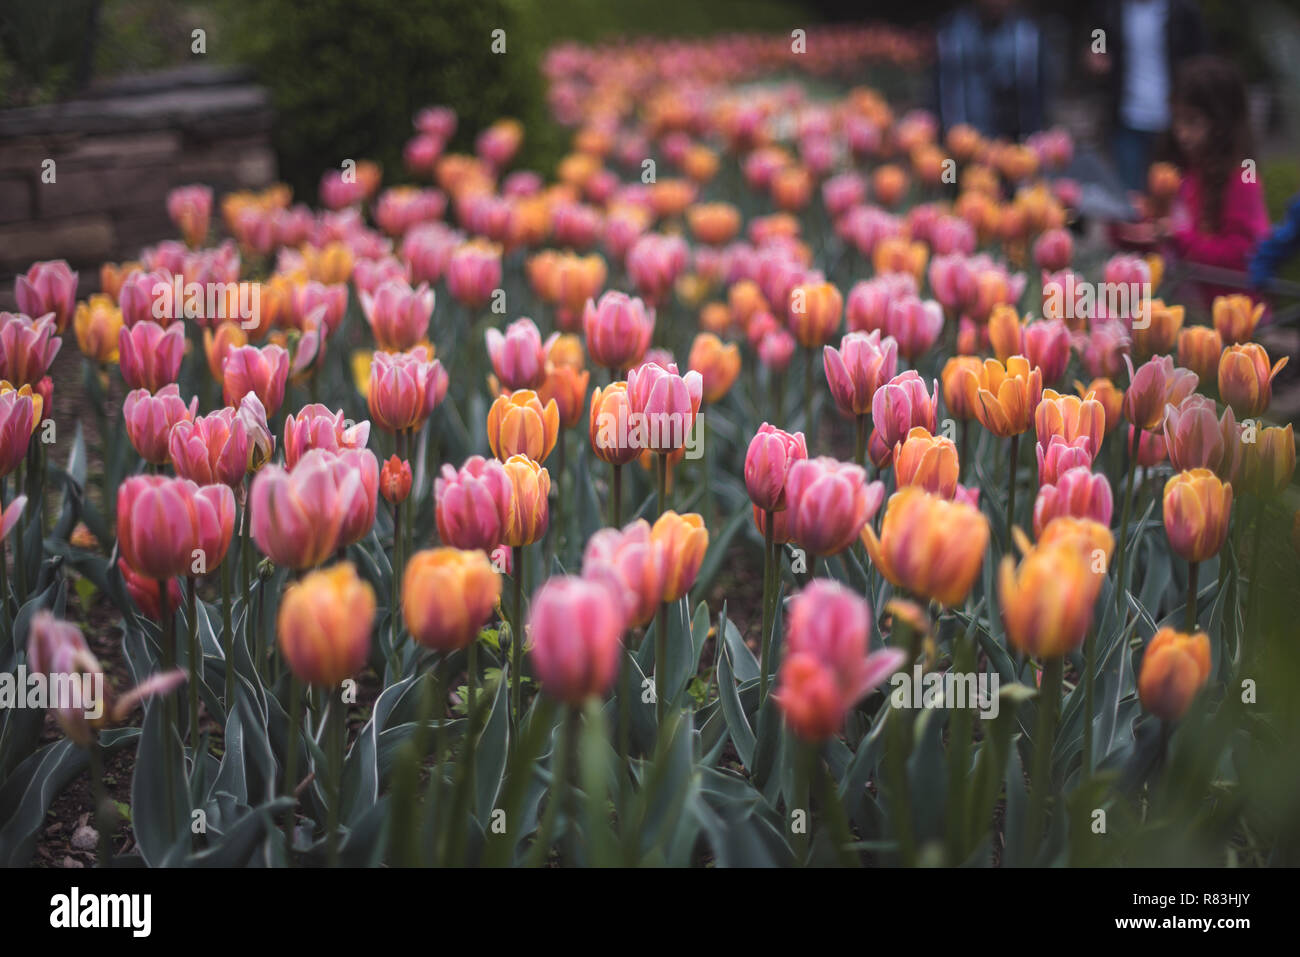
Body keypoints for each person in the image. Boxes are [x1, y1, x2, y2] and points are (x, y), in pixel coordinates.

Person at [1163, 56, 1270, 305]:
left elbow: (1240, 255)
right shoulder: (1195, 172)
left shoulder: (1243, 179)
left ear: (1222, 123)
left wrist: (1178, 238)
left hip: (1236, 315)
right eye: (1177, 120)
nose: (1181, 133)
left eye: (1192, 122)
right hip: (1203, 309)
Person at [1087, 0, 1205, 194]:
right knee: (1130, 197)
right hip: (1127, 118)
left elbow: (1199, 58)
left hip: (1172, 120)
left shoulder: (1182, 10)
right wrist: (1097, 54)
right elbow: (1097, 38)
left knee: (1176, 196)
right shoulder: (1112, 9)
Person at [935, 0, 1048, 141]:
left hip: (1016, 144)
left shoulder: (1028, 34)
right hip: (965, 141)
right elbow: (942, 90)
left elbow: (1040, 93)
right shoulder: (952, 32)